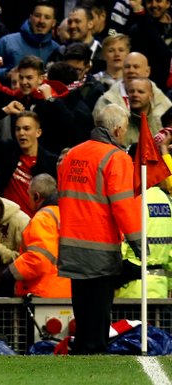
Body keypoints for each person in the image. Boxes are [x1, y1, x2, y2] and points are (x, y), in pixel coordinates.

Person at [57, 103, 142, 355]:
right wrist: (139, 243)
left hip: (71, 246)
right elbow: (124, 206)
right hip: (100, 247)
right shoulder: (117, 158)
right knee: (98, 311)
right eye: (125, 129)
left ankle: (82, 350)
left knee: (82, 311)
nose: (125, 135)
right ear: (116, 130)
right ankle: (93, 353)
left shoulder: (72, 154)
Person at [0, 174, 71, 298]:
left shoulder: (43, 218)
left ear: (36, 196)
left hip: (43, 295)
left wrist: (10, 273)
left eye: (29, 195)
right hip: (68, 292)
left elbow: (38, 259)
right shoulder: (67, 214)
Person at [0, 111, 58, 217]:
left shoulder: (51, 162)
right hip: (5, 224)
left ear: (38, 132)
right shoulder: (6, 152)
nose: (21, 133)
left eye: (26, 128)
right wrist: (4, 111)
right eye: (18, 129)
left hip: (37, 224)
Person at [0, 0, 59, 81]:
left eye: (47, 17)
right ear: (30, 18)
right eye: (37, 16)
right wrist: (6, 74)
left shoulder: (56, 49)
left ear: (53, 23)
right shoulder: (7, 42)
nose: (41, 21)